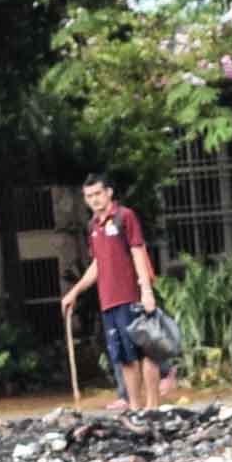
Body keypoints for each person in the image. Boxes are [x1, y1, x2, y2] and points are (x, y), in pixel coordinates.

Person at [61, 174, 170, 413]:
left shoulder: (125, 217)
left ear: (109, 192)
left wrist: (146, 291)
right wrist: (75, 291)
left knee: (146, 352)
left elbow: (138, 251)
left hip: (132, 296)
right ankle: (136, 409)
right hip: (109, 300)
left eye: (98, 194)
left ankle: (152, 409)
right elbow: (98, 264)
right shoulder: (92, 226)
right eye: (89, 196)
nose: (94, 200)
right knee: (124, 358)